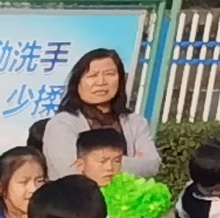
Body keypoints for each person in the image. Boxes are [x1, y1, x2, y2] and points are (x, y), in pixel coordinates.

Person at [32, 42, 147, 179]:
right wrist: (130, 162)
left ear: (121, 79)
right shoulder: (62, 123)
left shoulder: (135, 121)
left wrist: (94, 163)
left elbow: (151, 165)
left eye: (109, 74)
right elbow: (70, 171)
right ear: (77, 82)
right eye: (92, 76)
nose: (101, 82)